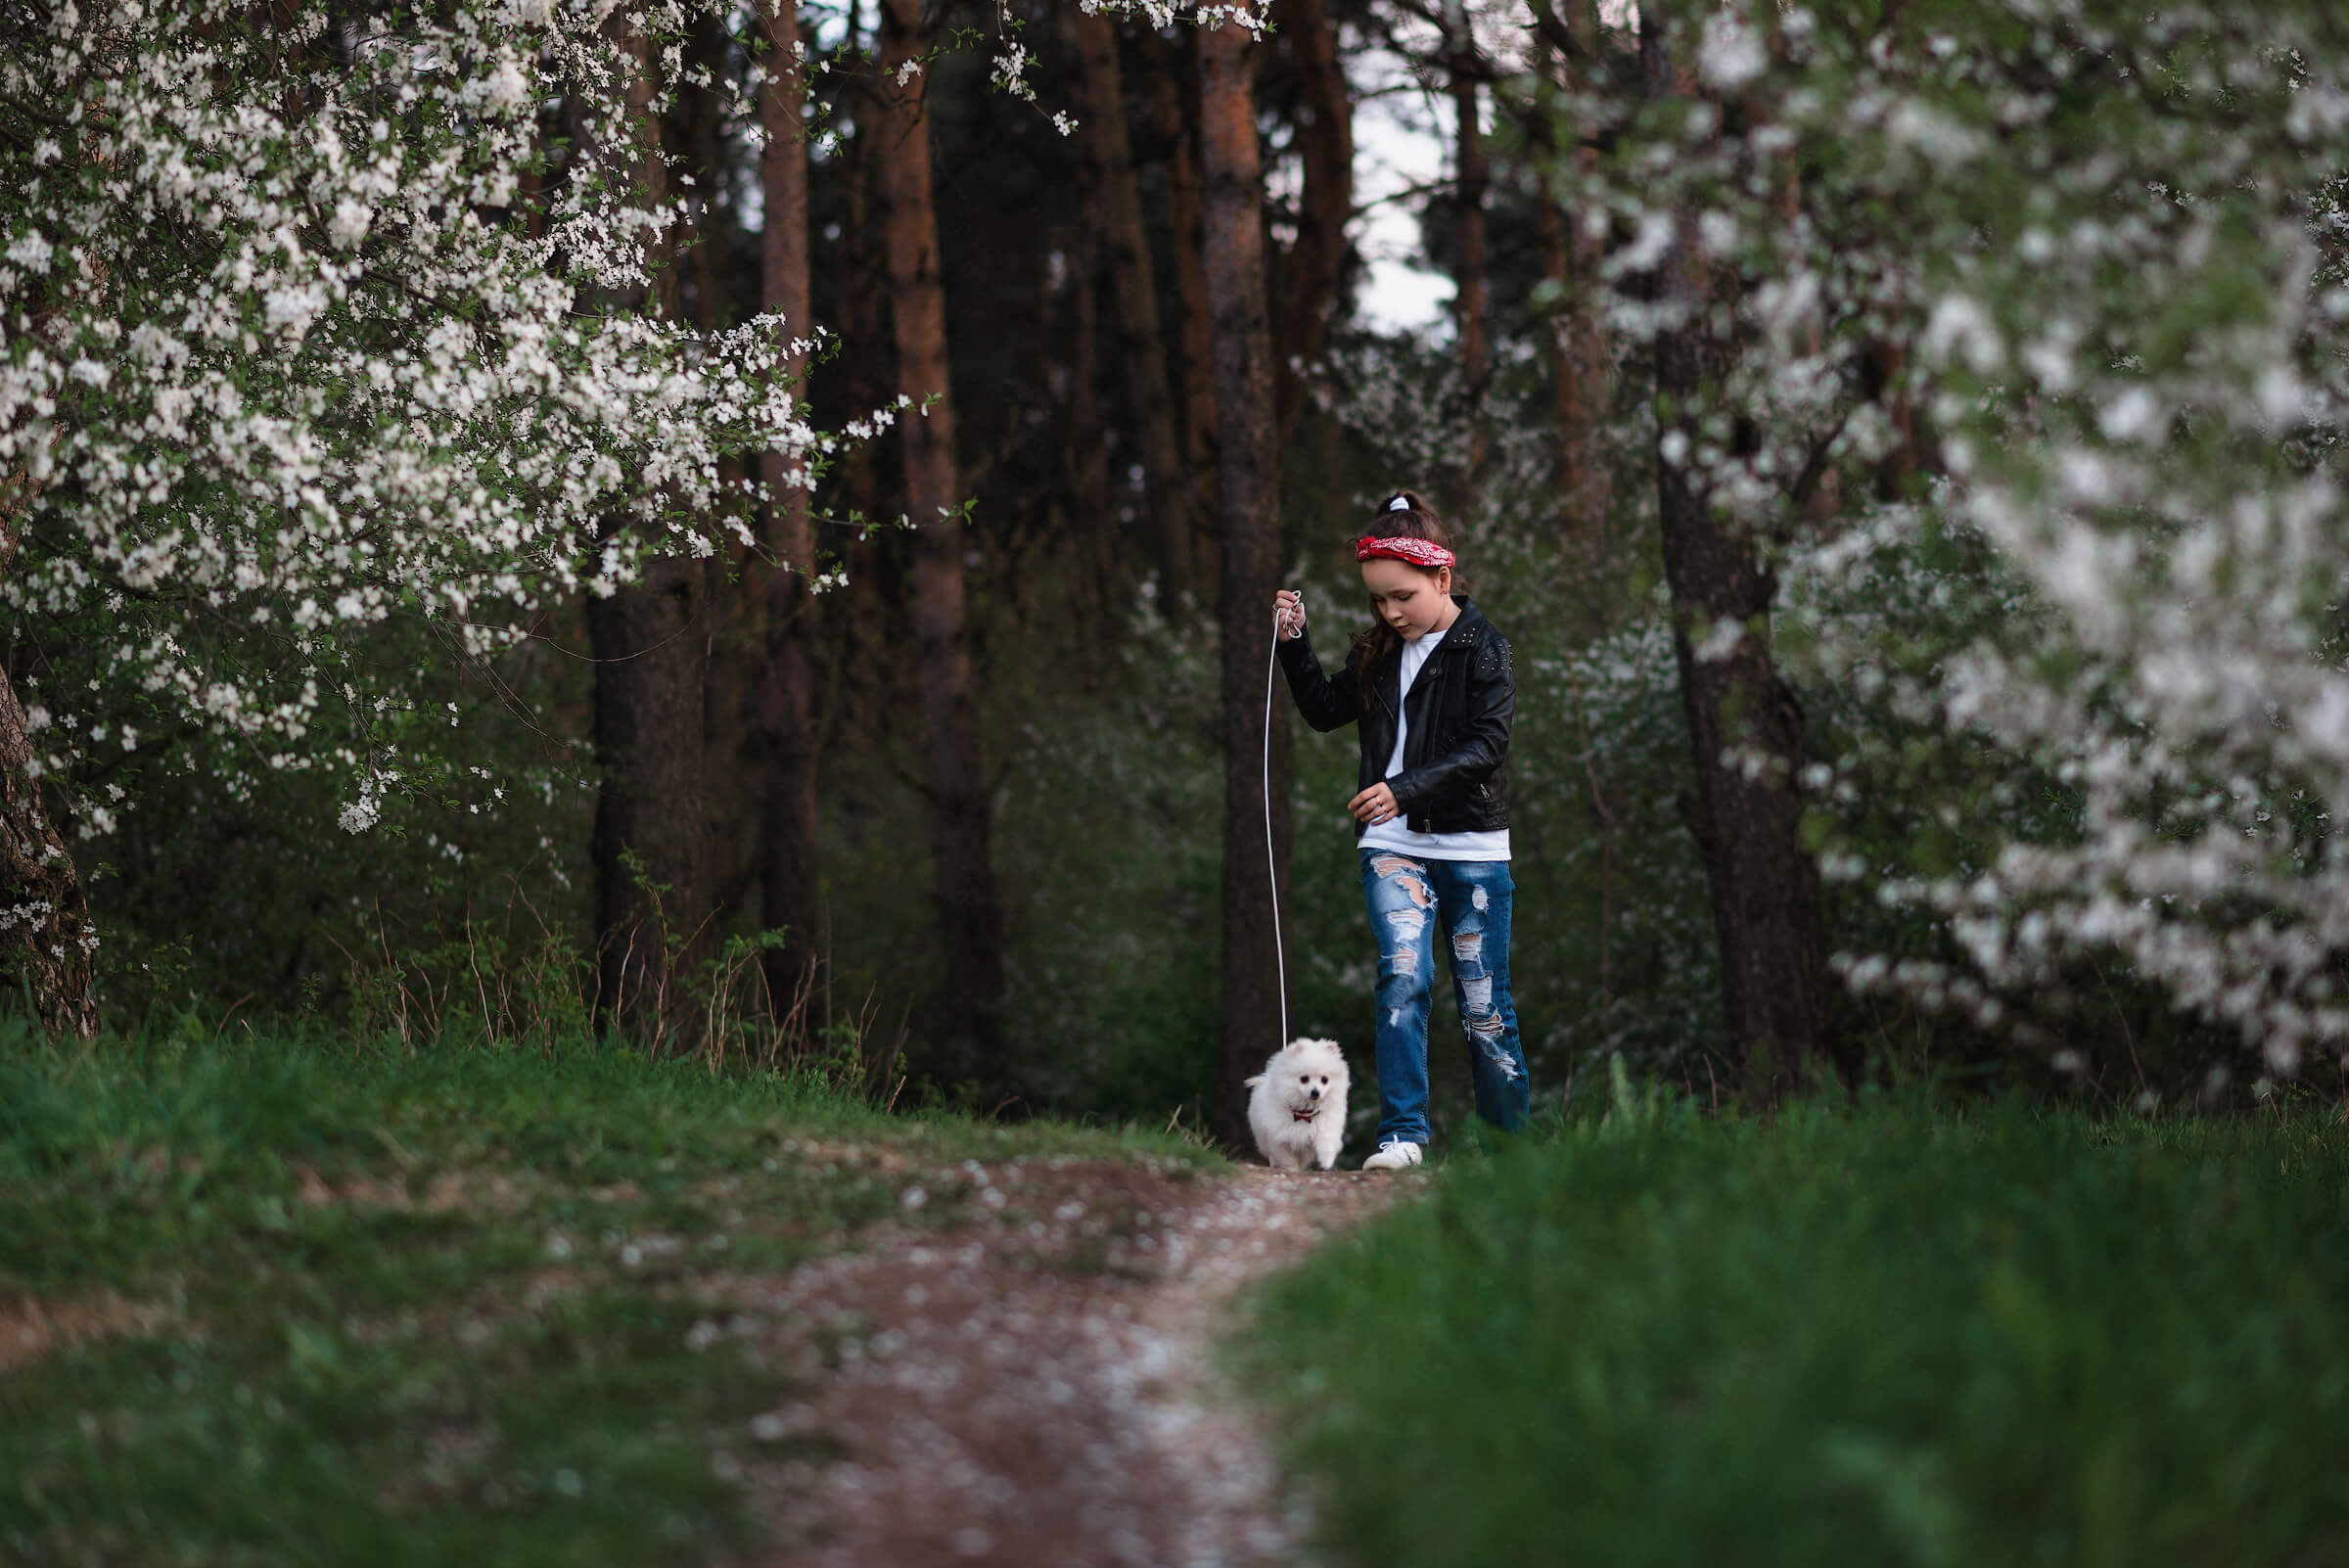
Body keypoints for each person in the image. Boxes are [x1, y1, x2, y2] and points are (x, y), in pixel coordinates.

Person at [1271, 490, 1529, 1170]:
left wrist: (1402, 789)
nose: (1389, 613)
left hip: (1473, 847)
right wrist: (1294, 643)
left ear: (1442, 578)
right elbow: (1326, 710)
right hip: (1393, 848)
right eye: (1377, 599)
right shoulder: (1377, 648)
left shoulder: (1486, 649)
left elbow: (1486, 747)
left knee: (1483, 1002)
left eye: (1402, 596)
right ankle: (1403, 1138)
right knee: (1402, 980)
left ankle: (1506, 1151)